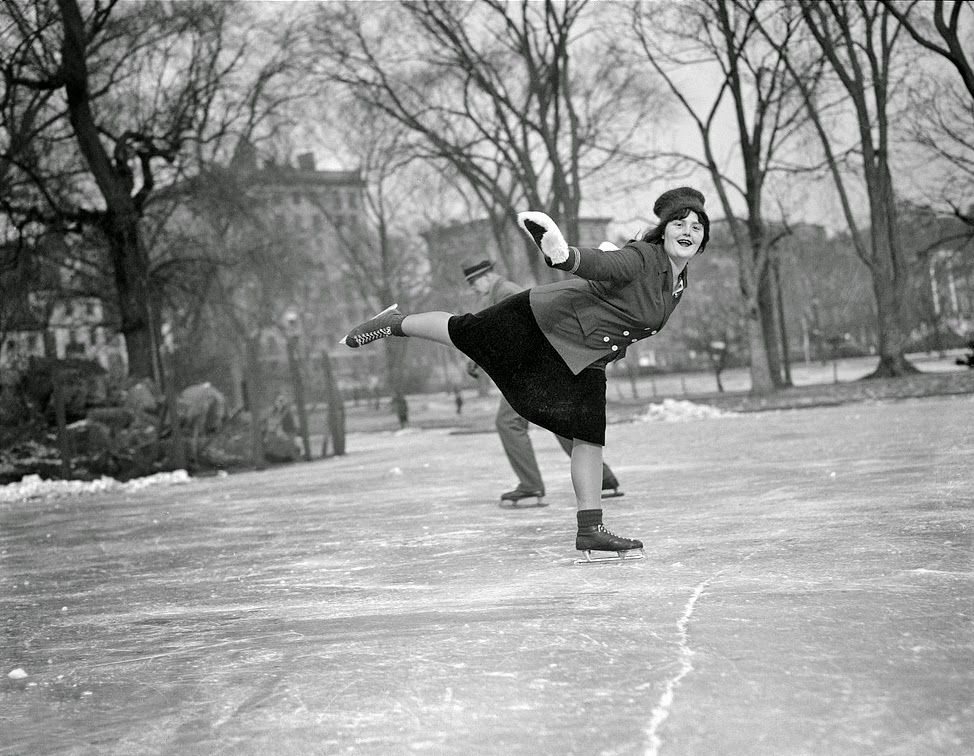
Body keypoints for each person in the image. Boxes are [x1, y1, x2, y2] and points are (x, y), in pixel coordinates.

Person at [340, 187, 709, 561]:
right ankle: (394, 322)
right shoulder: (644, 257)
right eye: (679, 223)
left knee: (588, 434)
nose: (688, 231)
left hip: (586, 355)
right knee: (463, 332)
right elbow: (603, 264)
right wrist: (565, 256)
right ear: (663, 232)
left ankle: (590, 529)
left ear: (702, 240)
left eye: (696, 227)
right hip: (542, 320)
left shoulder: (677, 283)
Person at [461, 258, 624, 508]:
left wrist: (483, 359)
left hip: (534, 369)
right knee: (558, 421)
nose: (473, 289)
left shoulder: (506, 292)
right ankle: (602, 478)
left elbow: (520, 333)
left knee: (508, 422)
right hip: (543, 366)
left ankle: (530, 485)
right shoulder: (499, 294)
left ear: (486, 276)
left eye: (473, 283)